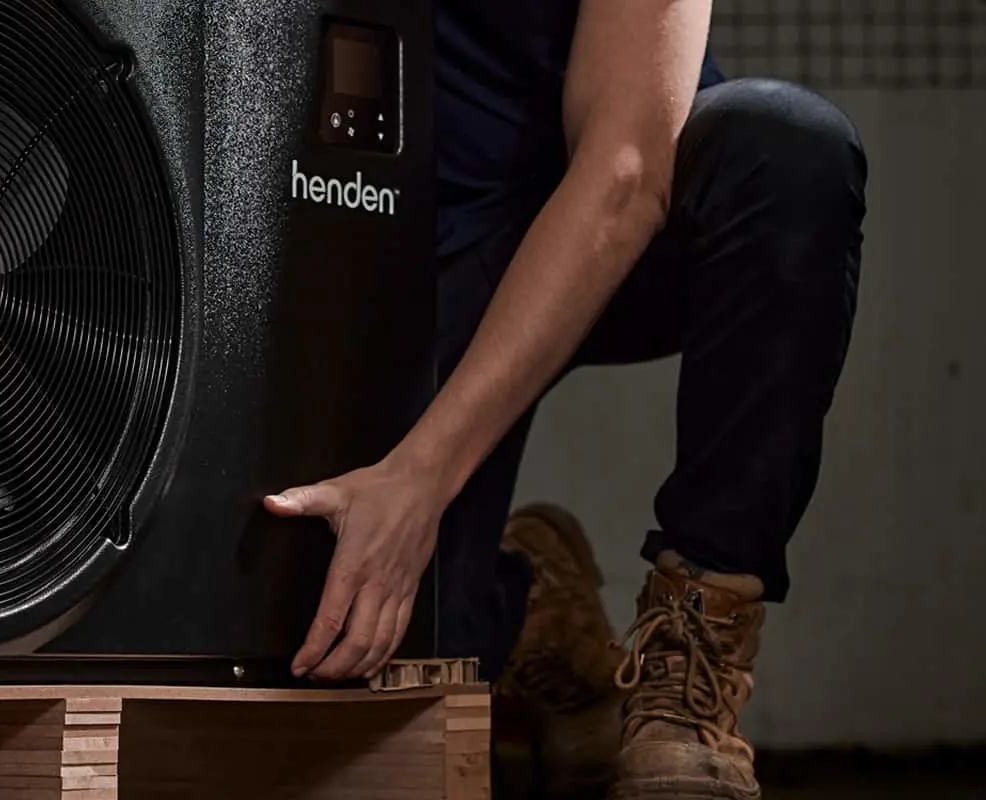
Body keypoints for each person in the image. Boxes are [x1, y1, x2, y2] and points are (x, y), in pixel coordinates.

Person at [262, 0, 868, 797]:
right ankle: (534, 621)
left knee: (788, 152)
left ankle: (694, 646)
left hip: (632, 208)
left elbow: (625, 170)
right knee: (359, 626)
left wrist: (421, 475)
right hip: (418, 233)